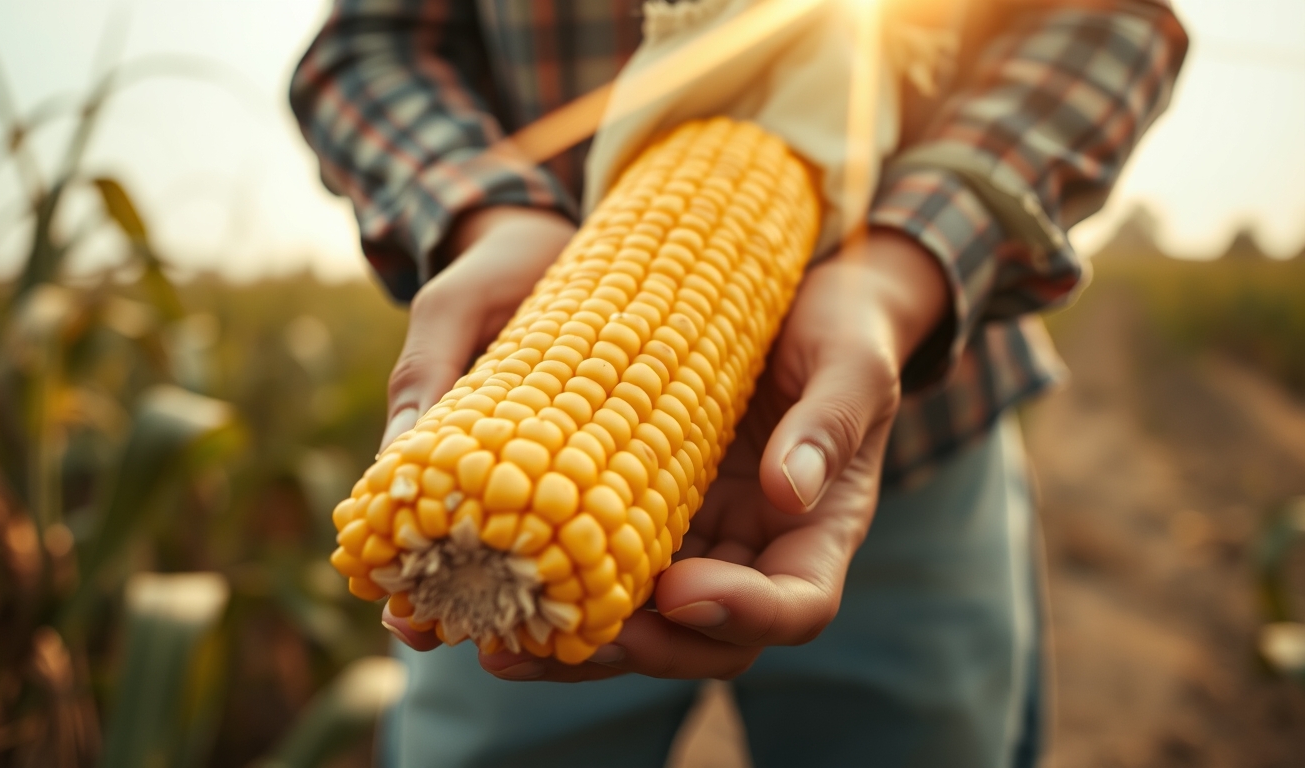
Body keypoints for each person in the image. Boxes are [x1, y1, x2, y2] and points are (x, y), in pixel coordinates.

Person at [291, 1, 1186, 765]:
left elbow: (1105, 19)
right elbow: (371, 45)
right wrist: (486, 212)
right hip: (502, 475)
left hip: (915, 436)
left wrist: (904, 264)